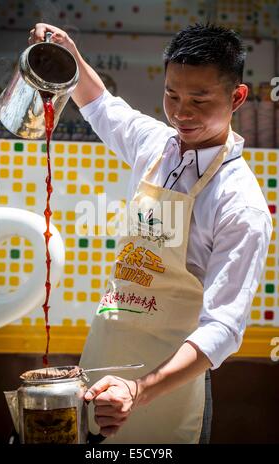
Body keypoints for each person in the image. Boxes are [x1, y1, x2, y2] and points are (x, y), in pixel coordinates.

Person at [29, 22, 272, 444]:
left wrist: (139, 391)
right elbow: (100, 104)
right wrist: (69, 50)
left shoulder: (240, 203)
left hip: (169, 386)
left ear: (236, 97)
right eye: (172, 95)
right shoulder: (155, 145)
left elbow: (223, 329)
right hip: (105, 357)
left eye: (199, 99)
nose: (181, 113)